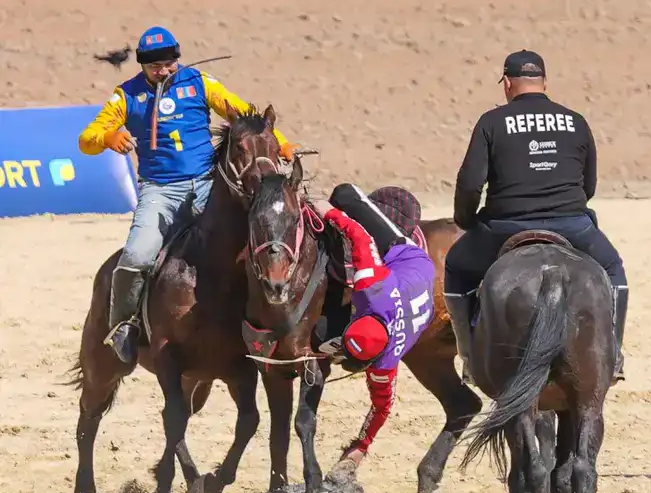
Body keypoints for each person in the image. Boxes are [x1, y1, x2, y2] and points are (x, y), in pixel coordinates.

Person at [78, 25, 298, 365]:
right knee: (136, 256)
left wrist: (279, 141)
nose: (163, 71)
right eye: (155, 66)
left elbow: (246, 116)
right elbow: (86, 138)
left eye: (168, 64)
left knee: (261, 237)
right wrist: (108, 138)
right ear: (142, 66)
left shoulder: (200, 83)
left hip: (208, 184)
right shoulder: (126, 96)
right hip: (160, 191)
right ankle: (124, 326)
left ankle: (271, 320)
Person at [443, 49, 629, 380]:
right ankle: (612, 355)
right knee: (613, 269)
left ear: (508, 83)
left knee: (456, 267)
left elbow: (470, 183)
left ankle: (470, 356)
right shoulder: (575, 120)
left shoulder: (492, 122)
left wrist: (467, 221)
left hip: (505, 225)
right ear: (544, 82)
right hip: (571, 224)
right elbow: (589, 185)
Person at [311, 184, 436, 465]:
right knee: (342, 195)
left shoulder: (384, 362)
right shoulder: (371, 286)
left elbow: (382, 407)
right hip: (410, 268)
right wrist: (329, 212)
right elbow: (358, 235)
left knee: (345, 193)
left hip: (408, 275)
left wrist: (361, 446)